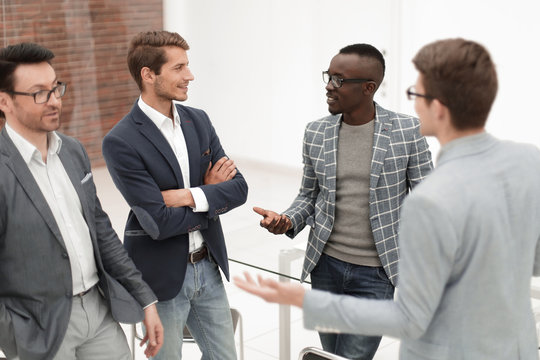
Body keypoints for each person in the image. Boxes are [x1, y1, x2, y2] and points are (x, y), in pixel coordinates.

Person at [236, 38, 540, 359]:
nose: (413, 103)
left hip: (395, 292)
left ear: (437, 106)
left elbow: (411, 316)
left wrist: (300, 299)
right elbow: (532, 263)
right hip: (514, 346)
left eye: (415, 94)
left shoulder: (429, 195)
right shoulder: (529, 161)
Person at [253, 43, 433, 359]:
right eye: (328, 76)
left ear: (368, 88)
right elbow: (309, 194)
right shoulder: (316, 132)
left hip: (377, 273)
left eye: (338, 79)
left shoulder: (407, 131)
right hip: (326, 267)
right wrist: (288, 220)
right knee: (331, 354)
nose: (328, 86)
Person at [0, 42, 163, 360]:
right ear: (4, 101)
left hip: (99, 310)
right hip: (39, 329)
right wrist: (15, 337)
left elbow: (101, 231)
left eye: (55, 88)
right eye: (39, 93)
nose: (54, 101)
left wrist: (145, 299)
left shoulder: (72, 151)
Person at [102, 30, 248, 360]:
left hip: (208, 267)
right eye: (179, 68)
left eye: (188, 66)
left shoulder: (199, 121)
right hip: (162, 279)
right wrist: (210, 193)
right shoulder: (121, 141)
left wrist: (186, 195)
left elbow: (239, 189)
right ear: (148, 75)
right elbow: (158, 223)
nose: (190, 76)